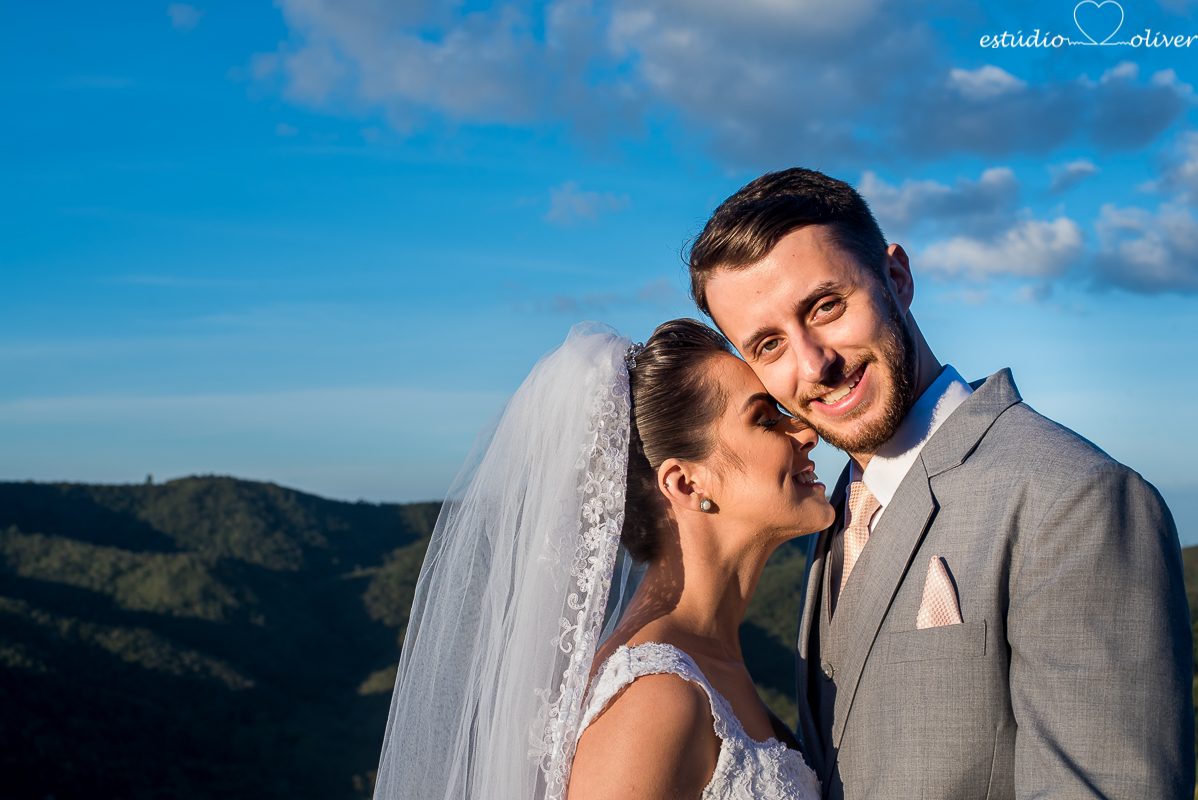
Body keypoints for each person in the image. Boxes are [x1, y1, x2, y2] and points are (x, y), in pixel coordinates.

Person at [688, 167, 1195, 799]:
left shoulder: (1076, 500)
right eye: (769, 346)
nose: (813, 365)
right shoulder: (834, 510)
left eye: (826, 306)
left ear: (897, 278)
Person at [373, 319, 833, 800]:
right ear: (685, 484)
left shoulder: (706, 667)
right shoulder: (653, 701)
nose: (805, 431)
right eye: (765, 419)